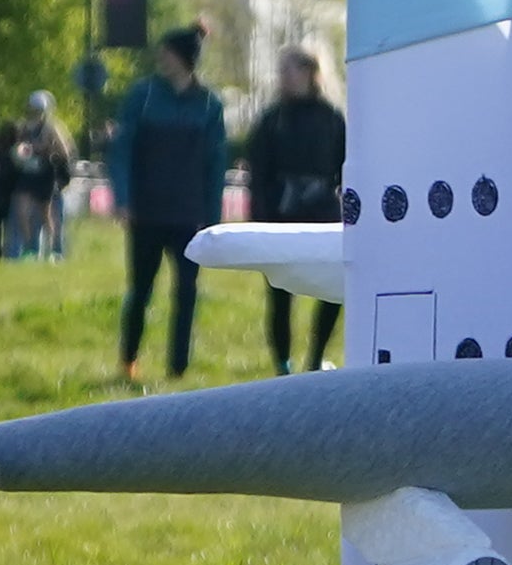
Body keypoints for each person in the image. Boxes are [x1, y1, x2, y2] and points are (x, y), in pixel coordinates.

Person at [108, 25, 227, 384]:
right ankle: (128, 360)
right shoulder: (142, 96)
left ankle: (179, 367)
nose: (161, 57)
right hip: (146, 211)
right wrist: (123, 199)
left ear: (184, 59)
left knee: (187, 293)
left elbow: (216, 163)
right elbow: (121, 149)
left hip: (189, 214)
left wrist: (213, 218)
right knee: (139, 289)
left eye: (168, 52)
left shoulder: (209, 104)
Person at [238, 49, 347, 370]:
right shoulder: (272, 120)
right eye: (281, 70)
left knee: (331, 291)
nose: (283, 76)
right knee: (280, 294)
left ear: (309, 73)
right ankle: (282, 363)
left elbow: (344, 167)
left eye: (289, 69)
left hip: (323, 214)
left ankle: (315, 356)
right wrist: (258, 217)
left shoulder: (332, 118)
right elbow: (257, 173)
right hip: (280, 213)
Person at [8, 94, 72, 259]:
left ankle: (52, 250)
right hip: (28, 172)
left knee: (46, 213)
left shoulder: (52, 128)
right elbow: (18, 147)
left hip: (45, 172)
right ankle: (29, 247)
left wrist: (46, 149)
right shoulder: (24, 127)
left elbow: (64, 151)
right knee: (22, 209)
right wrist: (22, 151)